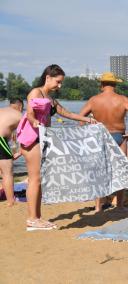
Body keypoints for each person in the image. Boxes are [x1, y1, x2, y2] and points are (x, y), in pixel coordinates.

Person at [18, 64, 97, 230]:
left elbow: (66, 113)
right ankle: (32, 219)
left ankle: (37, 217)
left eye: (61, 83)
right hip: (32, 138)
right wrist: (35, 122)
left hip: (42, 138)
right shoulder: (35, 92)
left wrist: (88, 120)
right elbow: (30, 113)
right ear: (48, 77)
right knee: (35, 179)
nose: (59, 86)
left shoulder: (51, 98)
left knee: (39, 180)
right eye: (58, 82)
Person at [79, 72, 128, 212]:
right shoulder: (123, 99)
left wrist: (85, 136)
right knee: (120, 172)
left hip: (99, 137)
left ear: (102, 85)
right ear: (115, 85)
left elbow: (80, 117)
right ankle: (119, 206)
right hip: (119, 136)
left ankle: (97, 207)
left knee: (98, 172)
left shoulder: (94, 100)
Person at [0, 98, 24, 206]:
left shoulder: (2, 110)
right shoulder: (20, 115)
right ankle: (11, 201)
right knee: (7, 173)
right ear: (20, 106)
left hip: (2, 140)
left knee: (2, 171)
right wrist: (20, 152)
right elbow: (29, 137)